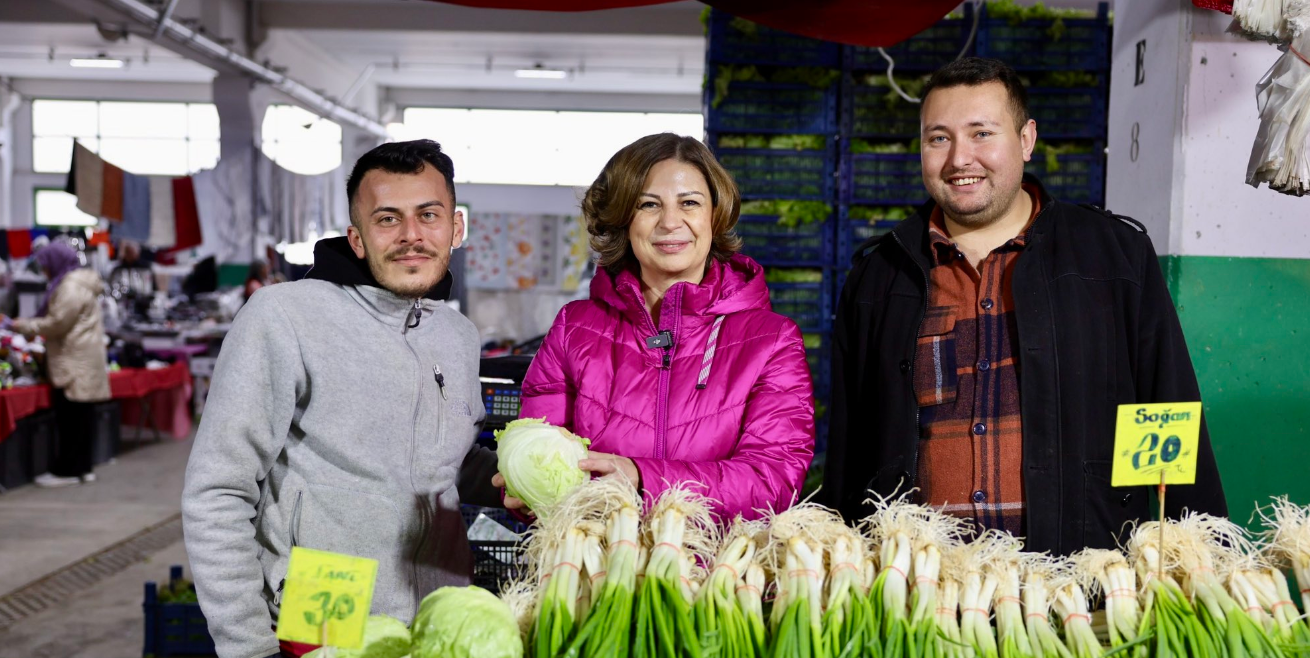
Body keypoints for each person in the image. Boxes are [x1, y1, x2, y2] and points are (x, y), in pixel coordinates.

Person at [820, 57, 1225, 553]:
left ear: (1027, 139)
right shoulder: (879, 276)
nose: (959, 159)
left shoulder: (1112, 256)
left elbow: (1167, 408)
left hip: (1079, 582)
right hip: (919, 592)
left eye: (982, 134)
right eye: (938, 138)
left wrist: (1203, 559)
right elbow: (848, 447)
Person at [182, 140, 501, 658]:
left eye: (427, 215)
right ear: (356, 237)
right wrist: (246, 647)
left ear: (455, 229)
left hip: (436, 622)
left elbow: (440, 462)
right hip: (324, 617)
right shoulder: (285, 317)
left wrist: (517, 475)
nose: (411, 234)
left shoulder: (456, 336)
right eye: (387, 219)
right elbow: (218, 489)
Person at [497, 133, 815, 521]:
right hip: (592, 569)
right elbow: (545, 456)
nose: (669, 222)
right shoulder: (574, 329)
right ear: (624, 219)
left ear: (714, 216)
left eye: (689, 203)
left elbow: (772, 481)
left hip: (722, 577)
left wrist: (641, 478)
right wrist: (529, 492)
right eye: (649, 204)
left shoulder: (772, 340)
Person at [10, 241, 110, 487]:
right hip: (82, 358)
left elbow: (57, 324)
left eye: (45, 265)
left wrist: (23, 325)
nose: (43, 271)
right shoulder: (78, 283)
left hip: (73, 360)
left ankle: (67, 470)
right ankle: (83, 468)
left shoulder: (70, 287)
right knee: (81, 419)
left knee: (71, 419)